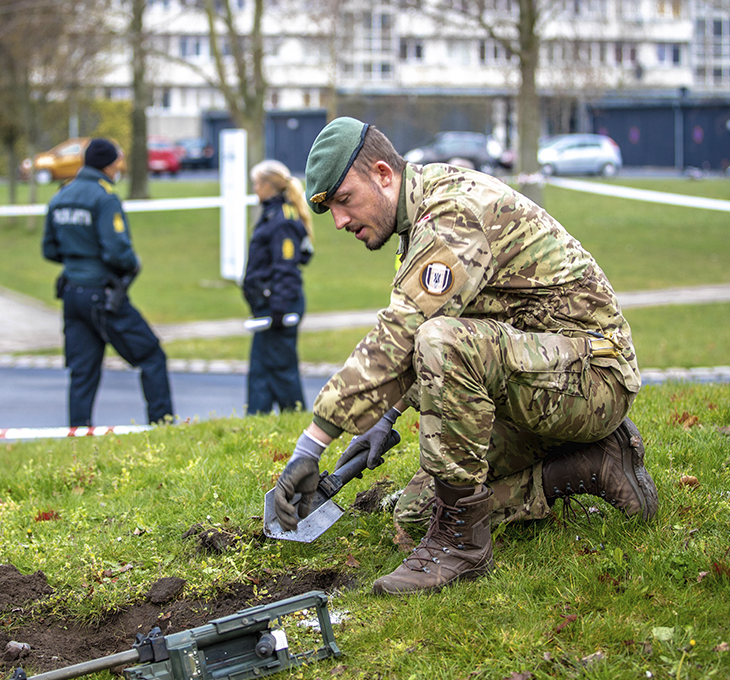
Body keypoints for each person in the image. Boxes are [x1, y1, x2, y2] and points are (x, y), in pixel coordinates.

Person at [270, 117, 658, 596]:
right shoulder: (419, 220)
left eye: (345, 200)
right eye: (330, 209)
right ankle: (590, 464)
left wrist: (312, 447)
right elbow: (429, 332)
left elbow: (407, 335)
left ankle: (462, 546)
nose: (341, 221)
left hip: (592, 380)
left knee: (440, 342)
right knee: (415, 514)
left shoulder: (451, 215)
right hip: (536, 379)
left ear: (384, 174)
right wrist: (383, 417)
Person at [42, 138, 174, 427]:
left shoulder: (61, 195)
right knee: (151, 356)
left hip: (72, 295)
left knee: (83, 371)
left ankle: (77, 436)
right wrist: (131, 263)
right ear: (108, 163)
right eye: (117, 161)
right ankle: (163, 427)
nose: (120, 167)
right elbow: (117, 251)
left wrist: (76, 258)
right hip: (102, 295)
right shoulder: (104, 198)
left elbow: (49, 250)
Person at [242, 160, 315, 415]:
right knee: (261, 368)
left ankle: (295, 419)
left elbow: (286, 268)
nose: (254, 190)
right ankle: (255, 420)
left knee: (282, 369)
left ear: (266, 185)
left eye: (256, 184)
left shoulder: (283, 220)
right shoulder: (272, 214)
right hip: (268, 305)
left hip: (279, 307)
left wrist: (278, 309)